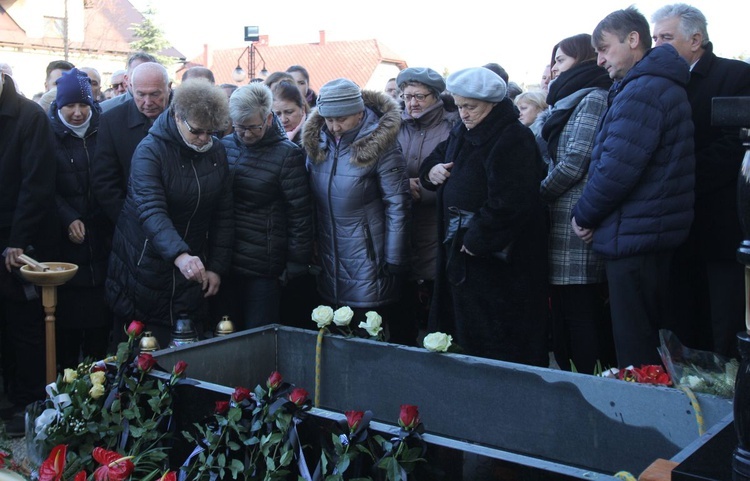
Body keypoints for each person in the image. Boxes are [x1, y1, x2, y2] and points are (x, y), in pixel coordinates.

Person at [571, 7, 695, 367]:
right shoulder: (652, 85)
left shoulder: (643, 90)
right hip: (646, 232)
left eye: (605, 48)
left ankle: (643, 422)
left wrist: (584, 215)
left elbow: (616, 168)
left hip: (636, 237)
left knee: (637, 349)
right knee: (649, 346)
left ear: (633, 39)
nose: (600, 60)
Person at [418, 68, 549, 365]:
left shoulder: (512, 138)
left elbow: (512, 201)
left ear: (491, 104)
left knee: (497, 341)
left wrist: (477, 238)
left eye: (470, 106)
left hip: (496, 263)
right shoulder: (465, 130)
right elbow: (438, 156)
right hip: (464, 256)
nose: (462, 113)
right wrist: (431, 172)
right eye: (459, 105)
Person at [652, 3, 750, 359]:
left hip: (721, 225)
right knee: (682, 322)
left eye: (666, 37)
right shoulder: (662, 82)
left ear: (696, 40)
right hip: (677, 227)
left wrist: (678, 177)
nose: (657, 45)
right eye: (654, 37)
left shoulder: (736, 75)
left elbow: (734, 147)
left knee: (723, 322)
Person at [105, 78, 233, 348]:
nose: (204, 139)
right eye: (197, 132)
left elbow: (223, 214)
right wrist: (179, 254)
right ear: (177, 116)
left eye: (211, 132)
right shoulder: (150, 151)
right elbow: (151, 210)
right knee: (144, 354)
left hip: (192, 266)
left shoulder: (216, 151)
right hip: (144, 263)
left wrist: (216, 267)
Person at [303, 78, 411, 341]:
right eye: (328, 120)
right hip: (329, 255)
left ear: (359, 112)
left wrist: (395, 257)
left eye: (342, 119)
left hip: (369, 257)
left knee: (366, 334)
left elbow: (398, 203)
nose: (334, 126)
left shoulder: (381, 146)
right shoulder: (318, 142)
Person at [536, 33, 615, 374]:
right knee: (563, 311)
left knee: (580, 310)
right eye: (553, 61)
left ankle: (590, 383)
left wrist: (535, 195)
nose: (554, 69)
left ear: (582, 60)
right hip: (556, 218)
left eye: (561, 61)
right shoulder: (564, 100)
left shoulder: (593, 97)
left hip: (574, 219)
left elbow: (574, 161)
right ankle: (569, 381)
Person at [216, 83, 312, 330]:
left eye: (252, 127)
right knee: (225, 331)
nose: (245, 135)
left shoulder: (287, 155)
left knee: (259, 336)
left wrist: (296, 262)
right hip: (225, 259)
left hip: (263, 265)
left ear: (268, 119)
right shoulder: (224, 146)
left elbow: (300, 213)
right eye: (239, 127)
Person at [0, 66, 57, 435]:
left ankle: (26, 404)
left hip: (16, 239)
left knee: (21, 324)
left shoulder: (29, 116)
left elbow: (36, 185)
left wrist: (17, 239)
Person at [48, 68, 112, 369]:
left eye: (83, 105)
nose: (76, 113)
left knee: (101, 332)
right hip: (66, 248)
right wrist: (67, 216)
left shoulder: (105, 128)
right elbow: (41, 185)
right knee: (68, 332)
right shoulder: (47, 133)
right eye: (69, 106)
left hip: (103, 238)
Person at [394, 67, 459, 345]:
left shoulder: (452, 125)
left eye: (420, 96)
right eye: (407, 96)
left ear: (436, 96)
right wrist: (403, 186)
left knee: (438, 298)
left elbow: (457, 174)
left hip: (437, 225)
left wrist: (426, 189)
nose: (412, 103)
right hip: (404, 224)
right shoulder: (395, 126)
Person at [92, 62, 171, 224]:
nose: (148, 102)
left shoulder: (185, 118)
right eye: (140, 94)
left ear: (168, 87)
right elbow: (105, 182)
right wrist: (127, 221)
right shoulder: (112, 121)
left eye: (155, 94)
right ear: (131, 88)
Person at [272, 80, 308, 146]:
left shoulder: (315, 138)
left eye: (289, 112)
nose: (283, 120)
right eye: (278, 114)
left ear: (302, 109)